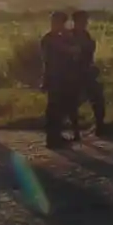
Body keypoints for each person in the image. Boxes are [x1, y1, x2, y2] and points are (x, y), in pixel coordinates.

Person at [40, 10, 80, 148]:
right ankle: (52, 139)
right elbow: (69, 50)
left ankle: (56, 136)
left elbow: (76, 50)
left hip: (64, 78)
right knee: (54, 109)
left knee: (60, 108)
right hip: (54, 77)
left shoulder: (60, 37)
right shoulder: (49, 39)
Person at [69, 10, 108, 138]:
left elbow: (89, 52)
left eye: (85, 20)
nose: (85, 23)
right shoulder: (69, 36)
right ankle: (75, 130)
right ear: (75, 21)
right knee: (73, 102)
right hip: (73, 73)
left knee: (98, 99)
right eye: (83, 20)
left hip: (86, 71)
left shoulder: (85, 34)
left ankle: (99, 126)